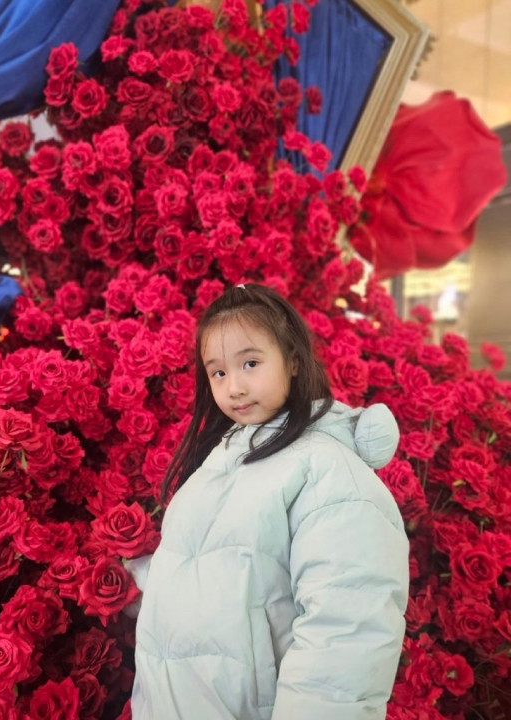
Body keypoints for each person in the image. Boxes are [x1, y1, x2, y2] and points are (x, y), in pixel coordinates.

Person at [127, 283, 409, 720]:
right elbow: (220, 570)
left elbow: (345, 629)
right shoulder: (220, 463)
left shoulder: (328, 471)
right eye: (218, 373)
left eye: (251, 363)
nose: (234, 387)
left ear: (292, 360)